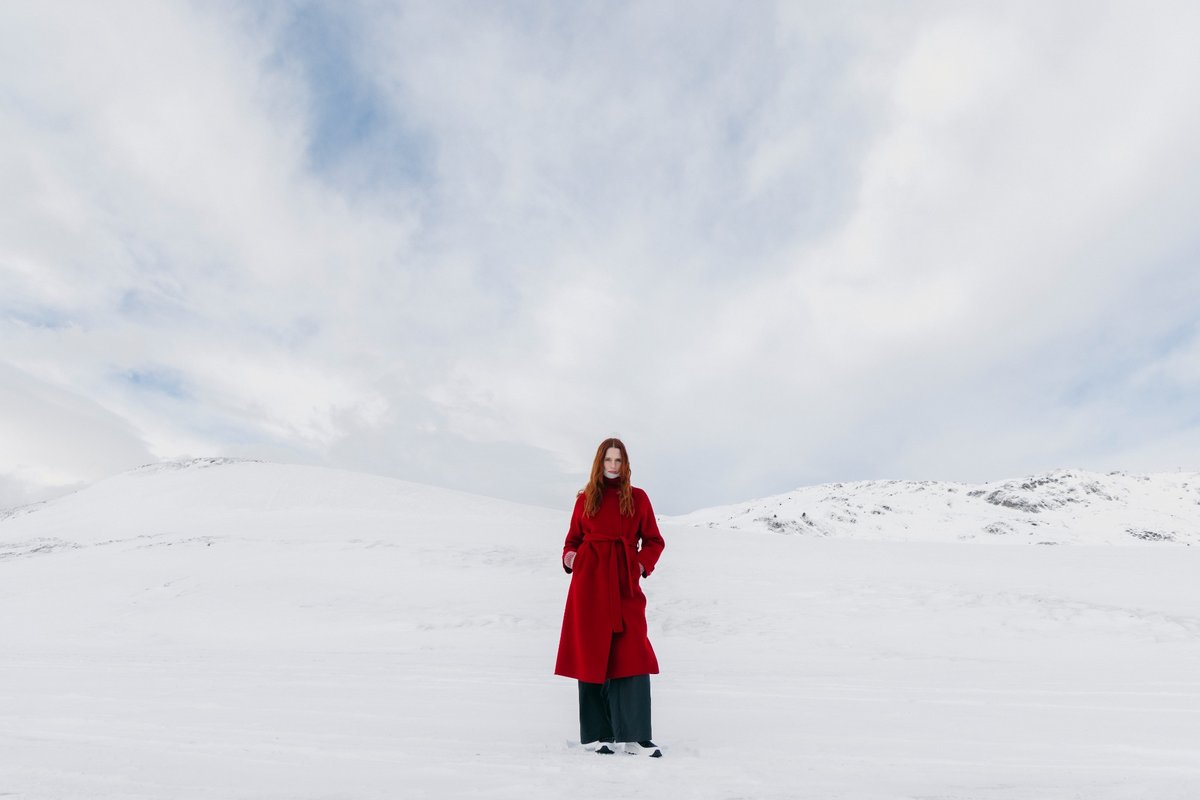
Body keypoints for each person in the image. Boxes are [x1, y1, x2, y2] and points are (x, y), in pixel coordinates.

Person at [555, 437, 666, 757]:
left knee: (632, 652)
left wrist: (640, 566)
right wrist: (572, 558)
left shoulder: (639, 498)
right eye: (608, 461)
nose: (613, 466)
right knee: (591, 652)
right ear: (599, 463)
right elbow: (571, 540)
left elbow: (655, 541)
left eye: (618, 461)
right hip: (589, 583)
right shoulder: (586, 499)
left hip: (623, 582)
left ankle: (635, 737)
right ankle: (595, 735)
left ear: (626, 464)